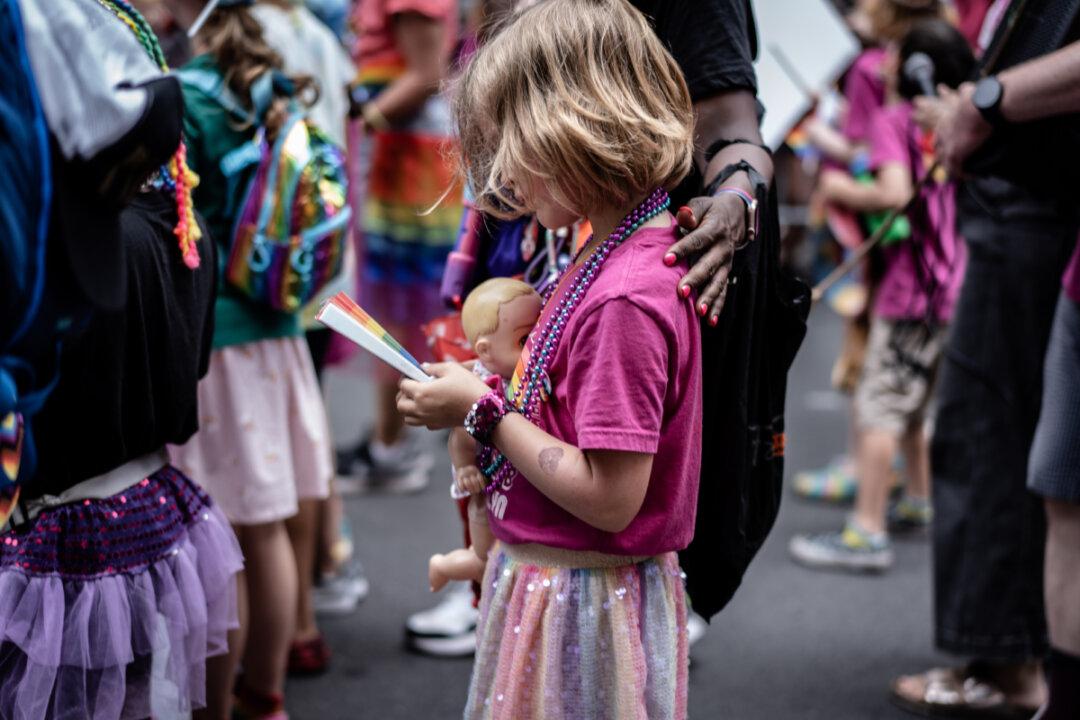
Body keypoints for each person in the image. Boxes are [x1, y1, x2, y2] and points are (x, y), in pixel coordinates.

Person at [406, 0, 787, 658]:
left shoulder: (623, 302)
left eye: (513, 151)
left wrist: (484, 412)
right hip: (568, 591)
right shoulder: (608, 253)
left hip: (584, 613)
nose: (504, 182)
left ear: (569, 136)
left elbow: (610, 499)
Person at [0, 2, 242, 717]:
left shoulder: (58, 262)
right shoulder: (181, 225)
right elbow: (188, 374)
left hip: (56, 541)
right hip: (149, 514)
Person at [889, 6, 1080, 717]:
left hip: (1034, 204)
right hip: (1024, 201)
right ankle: (1010, 660)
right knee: (1032, 466)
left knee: (1004, 448)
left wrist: (984, 103)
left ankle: (1007, 664)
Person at [165, 0, 336, 715]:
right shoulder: (271, 83)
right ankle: (266, 695)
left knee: (222, 532)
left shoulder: (183, 96)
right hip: (279, 327)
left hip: (219, 345)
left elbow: (181, 230)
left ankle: (217, 704)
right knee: (267, 526)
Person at [790, 19, 973, 572]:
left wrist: (840, 187)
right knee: (913, 406)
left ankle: (866, 531)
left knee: (878, 409)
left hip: (909, 290)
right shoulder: (955, 122)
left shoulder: (897, 119)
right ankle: (918, 500)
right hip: (949, 284)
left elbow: (893, 192)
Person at [248, 0, 363, 673]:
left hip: (269, 271)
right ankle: (318, 584)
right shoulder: (314, 33)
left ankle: (298, 611)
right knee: (306, 421)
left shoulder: (246, 31)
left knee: (278, 441)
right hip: (318, 259)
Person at [335, 0, 464, 492]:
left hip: (412, 161)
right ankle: (395, 438)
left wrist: (361, 119)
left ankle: (396, 447)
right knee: (400, 305)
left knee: (405, 309)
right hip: (402, 154)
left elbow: (425, 73)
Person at [428, 278, 542, 592]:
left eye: (540, 335)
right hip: (486, 486)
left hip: (517, 481)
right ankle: (444, 565)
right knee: (485, 558)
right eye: (524, 340)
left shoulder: (527, 376)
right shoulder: (481, 385)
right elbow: (462, 434)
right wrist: (465, 467)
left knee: (512, 556)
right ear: (485, 351)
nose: (535, 348)